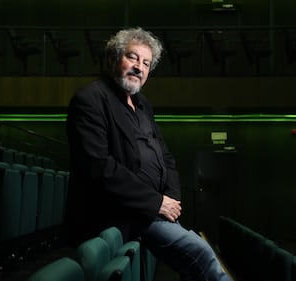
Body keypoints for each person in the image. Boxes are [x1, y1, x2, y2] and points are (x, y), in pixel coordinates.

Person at [65, 27, 232, 281]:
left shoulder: (143, 106)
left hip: (154, 211)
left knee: (195, 261)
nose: (139, 67)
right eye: (132, 57)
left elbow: (166, 158)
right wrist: (156, 203)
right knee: (202, 254)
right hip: (122, 212)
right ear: (112, 58)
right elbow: (98, 166)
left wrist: (170, 200)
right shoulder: (90, 99)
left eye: (146, 63)